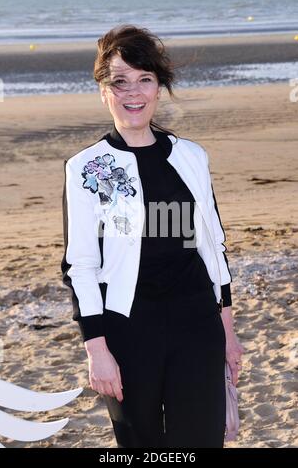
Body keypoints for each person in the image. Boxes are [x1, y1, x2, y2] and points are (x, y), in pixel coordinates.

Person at [61, 24, 244, 448]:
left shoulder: (191, 156)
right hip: (128, 328)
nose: (133, 92)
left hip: (196, 323)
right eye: (119, 81)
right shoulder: (87, 168)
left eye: (145, 79)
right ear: (102, 90)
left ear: (159, 87)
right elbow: (81, 266)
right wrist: (97, 350)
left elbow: (213, 246)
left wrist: (228, 333)